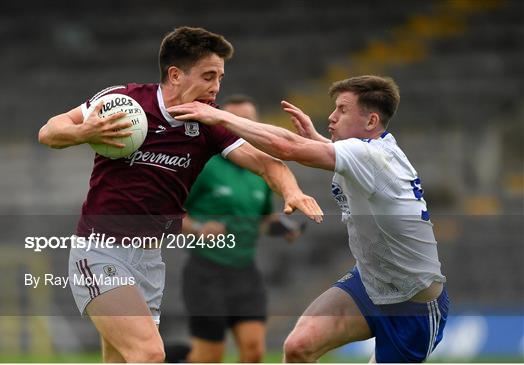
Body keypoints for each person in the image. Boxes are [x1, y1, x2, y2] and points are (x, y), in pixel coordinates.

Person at [38, 26, 323, 363]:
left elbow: (266, 164)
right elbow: (50, 131)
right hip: (100, 252)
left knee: (120, 359)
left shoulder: (209, 125)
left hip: (148, 260)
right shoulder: (125, 102)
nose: (216, 87)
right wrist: (84, 130)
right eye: (208, 76)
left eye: (219, 77)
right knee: (148, 354)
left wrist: (291, 191)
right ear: (175, 74)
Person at [168, 75, 449, 363]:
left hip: (412, 303)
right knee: (298, 346)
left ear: (370, 121)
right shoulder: (372, 152)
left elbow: (287, 148)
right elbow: (344, 157)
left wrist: (218, 116)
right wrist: (317, 140)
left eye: (342, 109)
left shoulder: (370, 157)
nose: (332, 115)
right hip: (369, 283)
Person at [174, 95, 303, 363]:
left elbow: (264, 219)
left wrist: (283, 227)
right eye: (236, 120)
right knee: (209, 357)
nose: (243, 126)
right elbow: (170, 210)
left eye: (249, 121)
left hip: (245, 272)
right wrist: (199, 227)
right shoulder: (205, 165)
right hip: (205, 271)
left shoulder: (262, 169)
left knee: (254, 351)